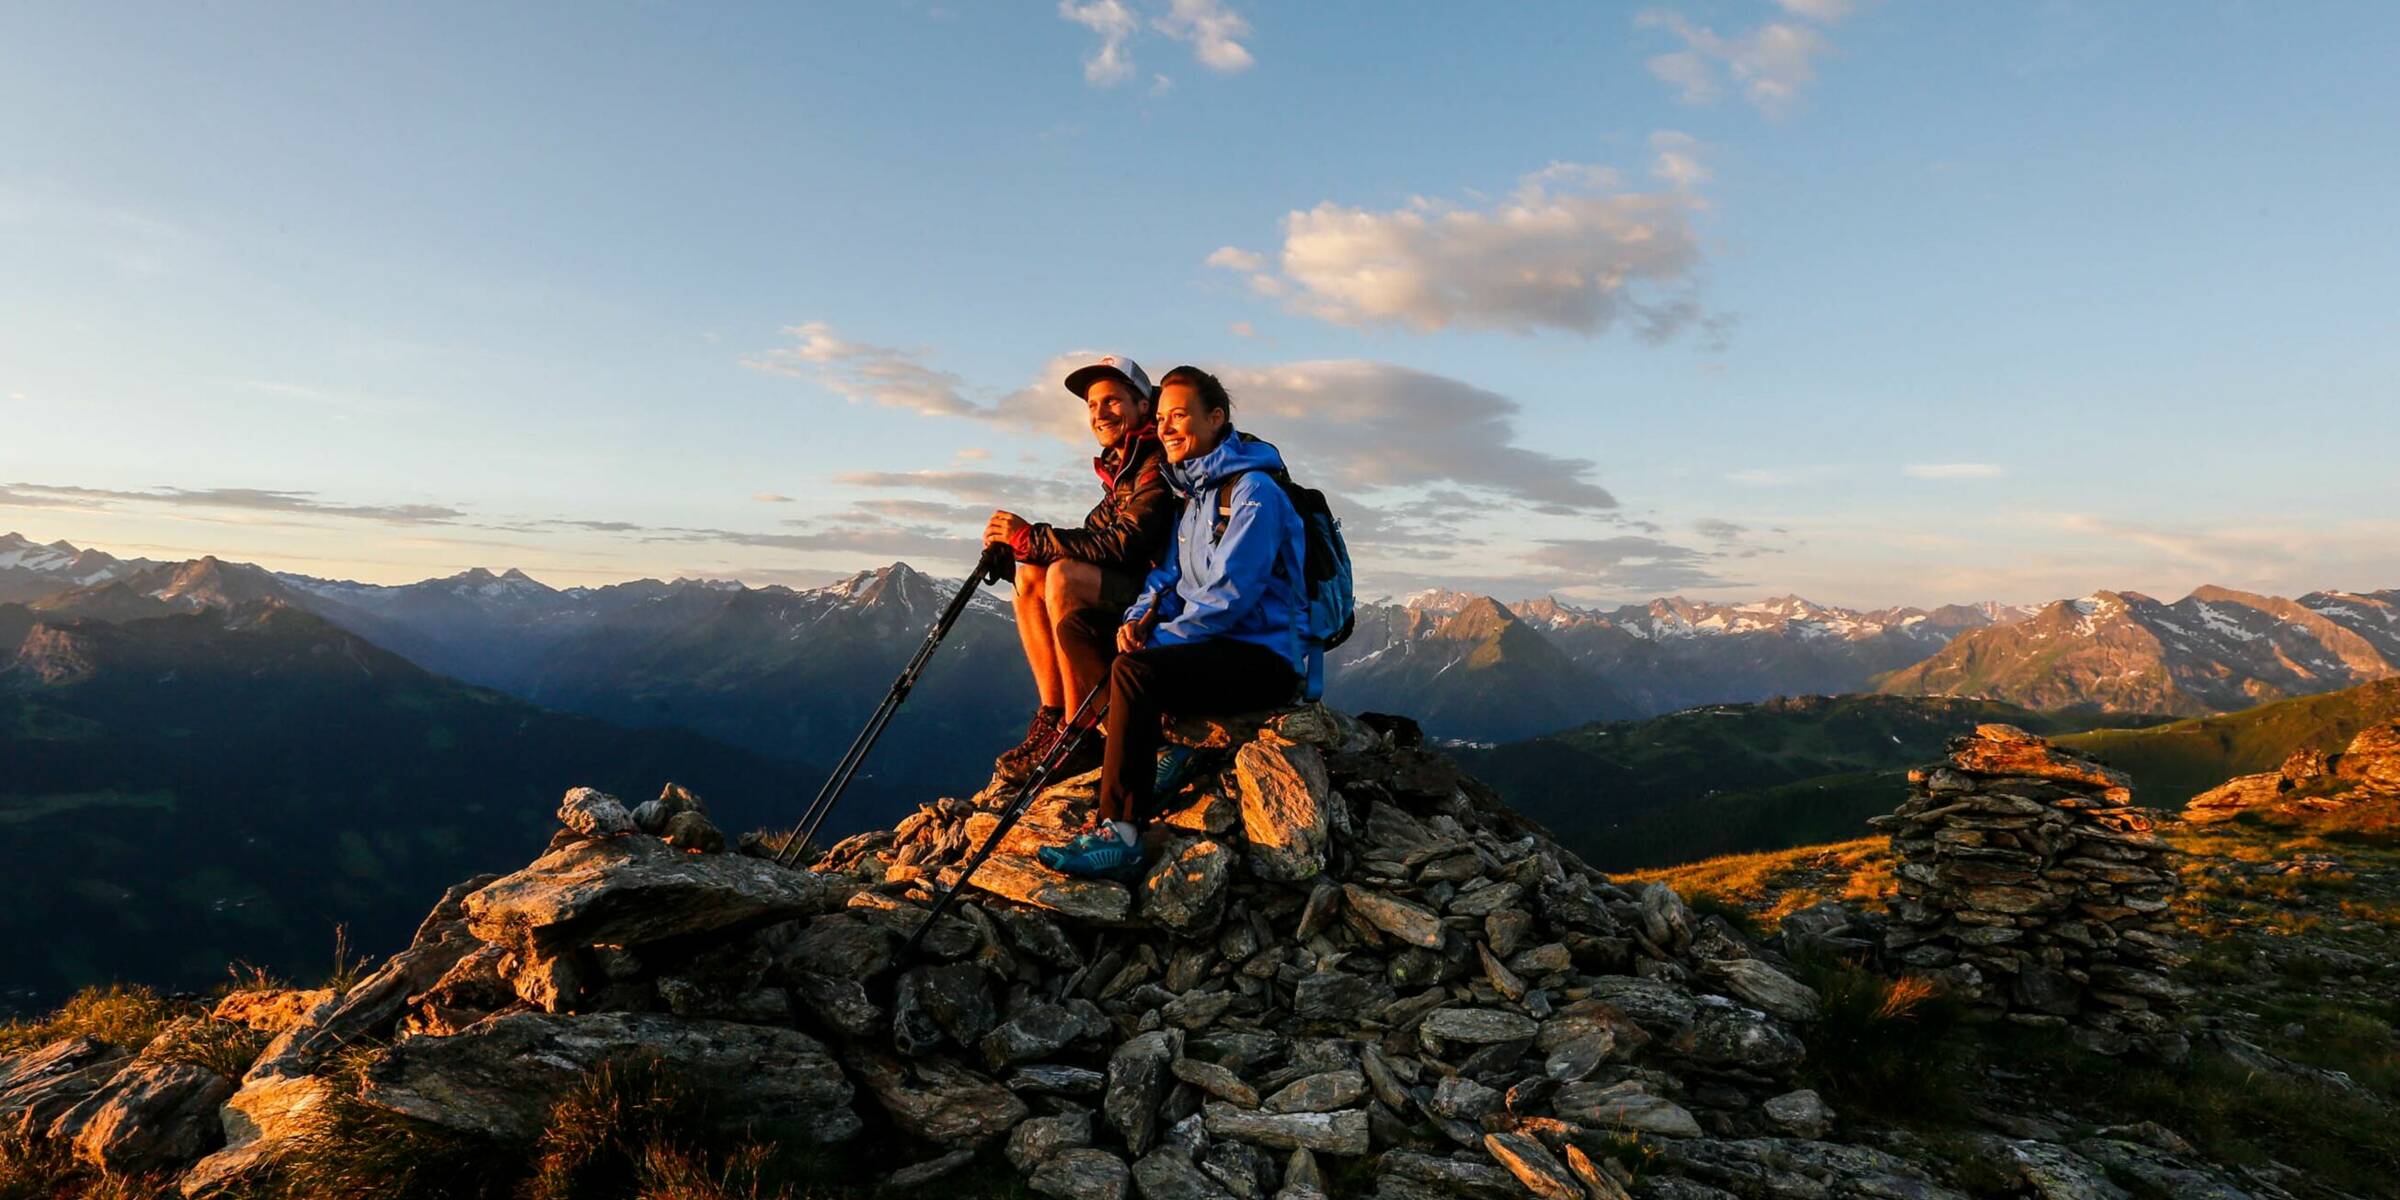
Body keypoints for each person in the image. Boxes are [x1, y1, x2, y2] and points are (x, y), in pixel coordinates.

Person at [1040, 365, 1307, 879]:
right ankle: (1153, 745)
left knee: (1135, 671)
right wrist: (1140, 615)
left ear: (1216, 418)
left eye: (1179, 416)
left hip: (1263, 658)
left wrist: (1154, 643)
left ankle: (1120, 830)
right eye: (1162, 418)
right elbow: (1166, 575)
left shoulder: (1253, 493)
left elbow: (1229, 597)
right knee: (1078, 628)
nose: (1165, 428)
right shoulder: (1196, 495)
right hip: (1210, 647)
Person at [984, 354, 1176, 781]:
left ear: (1143, 406)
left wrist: (1030, 538)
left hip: (1162, 596)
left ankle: (1078, 732)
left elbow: (1124, 544)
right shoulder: (1126, 463)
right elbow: (1093, 533)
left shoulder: (1156, 461)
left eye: (1111, 401)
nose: (1099, 413)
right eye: (1091, 405)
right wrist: (1022, 549)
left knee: (1064, 576)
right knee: (1034, 573)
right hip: (1137, 584)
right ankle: (1053, 717)